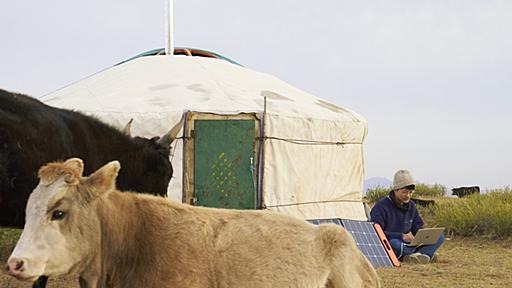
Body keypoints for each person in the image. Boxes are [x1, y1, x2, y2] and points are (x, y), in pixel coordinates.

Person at [370, 169, 445, 264]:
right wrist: (401, 236)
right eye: (404, 192)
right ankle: (424, 254)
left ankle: (417, 255)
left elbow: (417, 227)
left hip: (409, 244)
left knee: (440, 237)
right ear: (395, 190)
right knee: (395, 243)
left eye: (411, 192)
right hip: (392, 242)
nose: (408, 196)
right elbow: (375, 233)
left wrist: (423, 235)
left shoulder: (411, 206)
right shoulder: (381, 207)